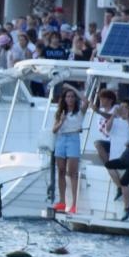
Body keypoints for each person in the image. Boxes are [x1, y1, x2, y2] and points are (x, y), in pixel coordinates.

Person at [101, 105, 129, 220]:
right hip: (126, 158)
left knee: (124, 181)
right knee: (113, 170)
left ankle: (126, 207)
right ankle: (125, 203)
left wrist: (127, 119)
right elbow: (107, 129)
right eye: (120, 108)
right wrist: (113, 115)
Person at [51, 86, 84, 214]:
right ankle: (62, 201)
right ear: (64, 99)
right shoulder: (60, 113)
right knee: (61, 171)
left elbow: (86, 101)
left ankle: (74, 204)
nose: (70, 99)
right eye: (68, 96)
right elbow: (54, 130)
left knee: (72, 172)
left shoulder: (79, 112)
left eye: (72, 97)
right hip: (61, 139)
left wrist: (72, 88)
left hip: (73, 138)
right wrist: (61, 121)